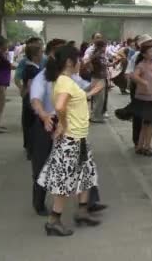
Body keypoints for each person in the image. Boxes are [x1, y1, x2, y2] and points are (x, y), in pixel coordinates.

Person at [37, 45, 104, 236]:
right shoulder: (65, 82)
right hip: (71, 139)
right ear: (69, 62)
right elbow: (60, 106)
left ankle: (82, 210)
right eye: (78, 58)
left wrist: (91, 93)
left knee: (86, 174)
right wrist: (63, 125)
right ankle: (54, 221)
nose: (81, 61)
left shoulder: (66, 81)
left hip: (78, 137)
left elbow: (74, 101)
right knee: (64, 182)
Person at [22, 45, 43, 160]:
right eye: (40, 52)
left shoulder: (32, 67)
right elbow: (31, 86)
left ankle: (31, 149)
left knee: (30, 124)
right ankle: (31, 150)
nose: (42, 55)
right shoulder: (32, 69)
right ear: (34, 55)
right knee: (32, 126)